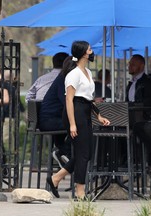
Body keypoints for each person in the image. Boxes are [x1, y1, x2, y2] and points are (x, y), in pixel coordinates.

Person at [46, 41, 110, 199]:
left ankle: (56, 178)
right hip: (75, 112)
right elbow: (69, 100)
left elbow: (89, 99)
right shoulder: (73, 74)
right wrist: (73, 124)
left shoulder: (87, 71)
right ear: (83, 53)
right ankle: (80, 192)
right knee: (82, 154)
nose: (92, 51)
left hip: (85, 111)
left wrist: (99, 116)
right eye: (89, 49)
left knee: (85, 154)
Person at [39, 63, 71, 168]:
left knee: (74, 124)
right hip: (49, 121)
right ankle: (66, 153)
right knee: (79, 125)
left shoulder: (62, 80)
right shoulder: (63, 82)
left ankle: (62, 152)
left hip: (53, 119)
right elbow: (67, 102)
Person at [126, 54, 151, 120]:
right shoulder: (131, 83)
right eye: (129, 64)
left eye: (133, 65)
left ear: (141, 66)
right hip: (131, 117)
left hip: (144, 119)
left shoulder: (149, 82)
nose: (129, 66)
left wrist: (134, 105)